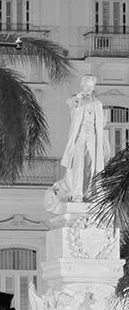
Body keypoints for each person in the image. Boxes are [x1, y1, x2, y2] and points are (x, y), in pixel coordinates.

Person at [45, 75, 109, 210]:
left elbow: (101, 123)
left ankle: (90, 193)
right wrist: (78, 98)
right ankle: (77, 194)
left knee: (91, 166)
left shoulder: (97, 103)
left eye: (91, 86)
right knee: (78, 165)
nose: (89, 89)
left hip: (93, 137)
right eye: (87, 86)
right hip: (79, 136)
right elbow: (70, 103)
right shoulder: (76, 99)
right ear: (81, 86)